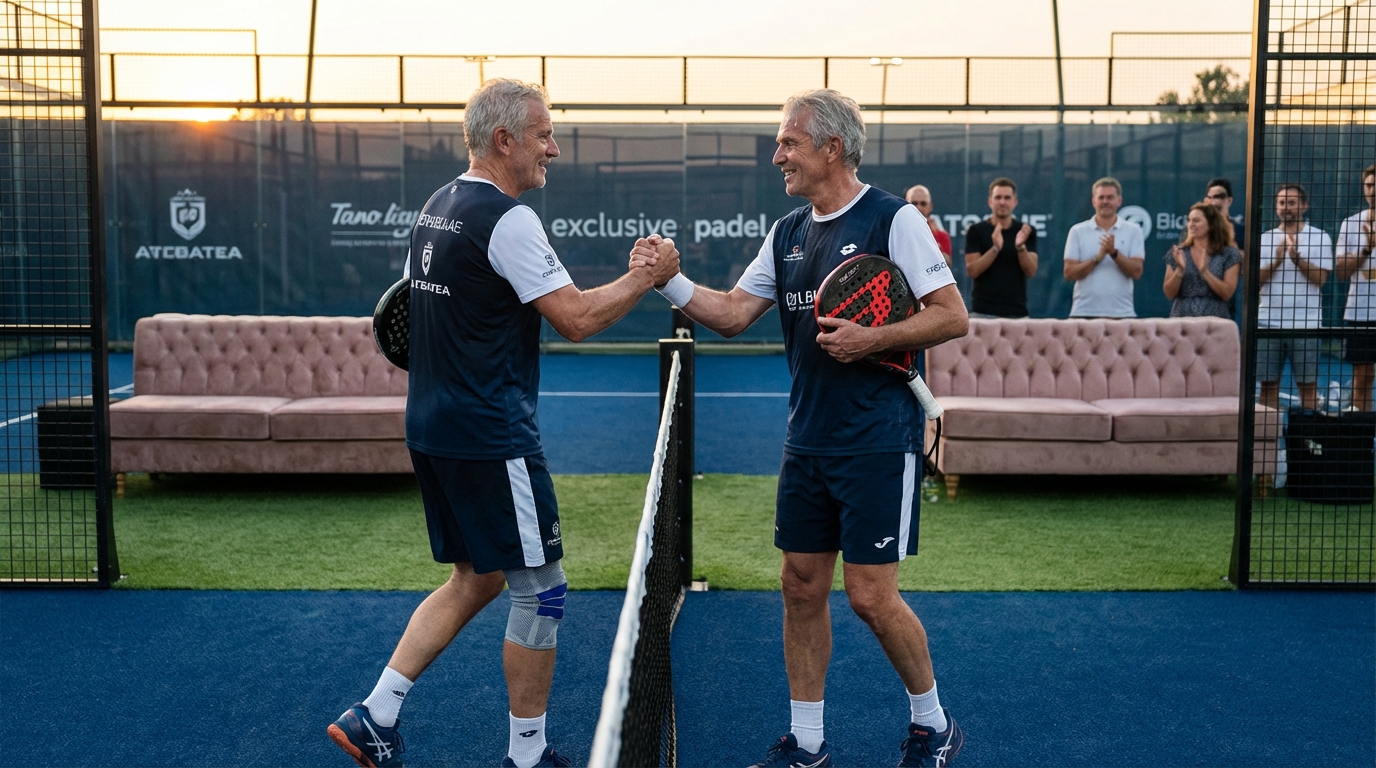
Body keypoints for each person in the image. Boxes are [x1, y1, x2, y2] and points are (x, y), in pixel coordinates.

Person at [325, 79, 678, 768]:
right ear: (503, 140)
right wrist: (648, 276)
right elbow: (575, 318)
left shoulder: (435, 206)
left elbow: (416, 321)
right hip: (491, 436)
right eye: (543, 134)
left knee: (477, 577)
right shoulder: (508, 218)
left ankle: (376, 713)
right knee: (543, 592)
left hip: (431, 427)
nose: (553, 147)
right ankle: (527, 756)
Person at [645, 89, 968, 768]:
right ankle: (809, 743)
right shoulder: (788, 232)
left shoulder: (894, 218)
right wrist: (671, 283)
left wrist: (871, 337)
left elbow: (950, 315)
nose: (778, 155)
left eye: (789, 142)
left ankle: (934, 723)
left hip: (879, 438)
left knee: (872, 597)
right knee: (799, 584)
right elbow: (734, 312)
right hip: (807, 440)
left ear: (833, 147)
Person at [1256, 183, 1333, 412]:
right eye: (1281, 202)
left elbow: (1320, 279)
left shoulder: (1320, 237)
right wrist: (1278, 260)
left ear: (1304, 206)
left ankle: (1307, 443)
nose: (1285, 207)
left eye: (1291, 202)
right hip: (1268, 322)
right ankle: (1268, 446)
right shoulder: (1265, 238)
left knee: (1307, 388)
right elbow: (1256, 281)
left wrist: (1298, 260)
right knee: (1268, 387)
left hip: (1306, 325)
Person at [1062, 177, 1145, 318]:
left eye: (1110, 197)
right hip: (1083, 312)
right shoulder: (1077, 231)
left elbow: (1136, 272)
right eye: (1101, 197)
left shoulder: (1134, 230)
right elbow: (1069, 273)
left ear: (1119, 201)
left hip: (1122, 314)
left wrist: (1113, 253)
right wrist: (1098, 258)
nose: (1105, 202)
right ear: (1093, 201)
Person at [964, 178, 1038, 318]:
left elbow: (1031, 271)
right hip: (983, 313)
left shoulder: (1026, 231)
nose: (1002, 202)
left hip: (1017, 313)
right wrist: (995, 249)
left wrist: (1020, 247)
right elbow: (972, 271)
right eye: (998, 197)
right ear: (990, 201)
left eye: (1007, 198)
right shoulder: (976, 230)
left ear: (1015, 202)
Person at [1335, 163, 1376, 411]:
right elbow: (1341, 272)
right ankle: (1362, 443)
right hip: (1361, 314)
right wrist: (1367, 248)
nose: (1373, 191)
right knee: (1363, 380)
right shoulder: (1351, 224)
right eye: (1369, 185)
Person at [906, 184, 952, 264]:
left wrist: (935, 236)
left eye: (923, 203)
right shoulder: (896, 230)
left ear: (930, 206)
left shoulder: (941, 236)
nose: (919, 207)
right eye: (914, 203)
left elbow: (947, 265)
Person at [1205, 177, 1246, 249]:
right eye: (1209, 197)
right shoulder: (1198, 227)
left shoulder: (1241, 229)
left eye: (1217, 197)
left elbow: (1247, 257)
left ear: (1229, 200)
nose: (1212, 202)